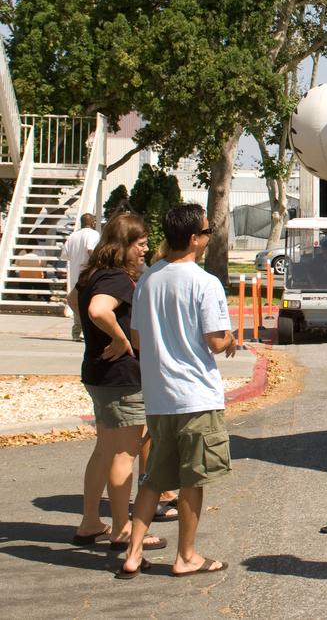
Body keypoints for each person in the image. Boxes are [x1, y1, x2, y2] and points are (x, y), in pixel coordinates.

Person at [116, 204, 235, 580]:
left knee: (154, 478)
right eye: (207, 232)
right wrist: (231, 337)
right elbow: (216, 341)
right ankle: (186, 555)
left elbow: (137, 338)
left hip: (159, 396)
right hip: (195, 396)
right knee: (192, 480)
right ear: (196, 239)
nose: (207, 237)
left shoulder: (149, 278)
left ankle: (133, 552)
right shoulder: (204, 282)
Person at [71, 212, 169, 551]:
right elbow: (99, 310)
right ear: (122, 245)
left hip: (97, 374)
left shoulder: (91, 274)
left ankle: (89, 521)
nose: (144, 251)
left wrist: (99, 336)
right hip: (122, 378)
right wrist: (120, 338)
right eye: (140, 245)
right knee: (124, 454)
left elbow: (76, 303)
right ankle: (121, 529)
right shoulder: (115, 278)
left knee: (104, 449)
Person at [62, 213, 101, 341]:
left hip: (74, 275)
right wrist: (99, 264)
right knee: (87, 303)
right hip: (87, 274)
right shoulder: (93, 234)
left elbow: (65, 255)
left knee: (77, 304)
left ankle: (76, 332)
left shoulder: (73, 236)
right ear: (93, 222)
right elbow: (90, 249)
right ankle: (86, 332)